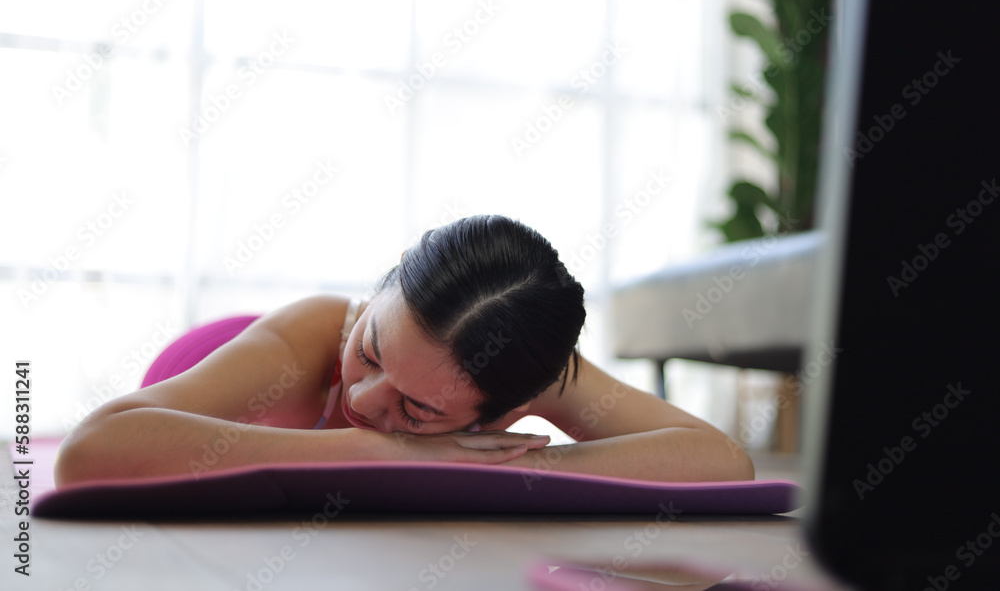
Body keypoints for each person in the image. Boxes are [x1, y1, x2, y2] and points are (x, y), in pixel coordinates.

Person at [54, 215, 754, 487]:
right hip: (213, 376)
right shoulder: (311, 340)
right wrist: (385, 449)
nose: (362, 400)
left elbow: (720, 459)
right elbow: (93, 452)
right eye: (373, 351)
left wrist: (508, 466)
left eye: (416, 409)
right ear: (386, 284)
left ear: (510, 407)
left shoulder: (520, 368)